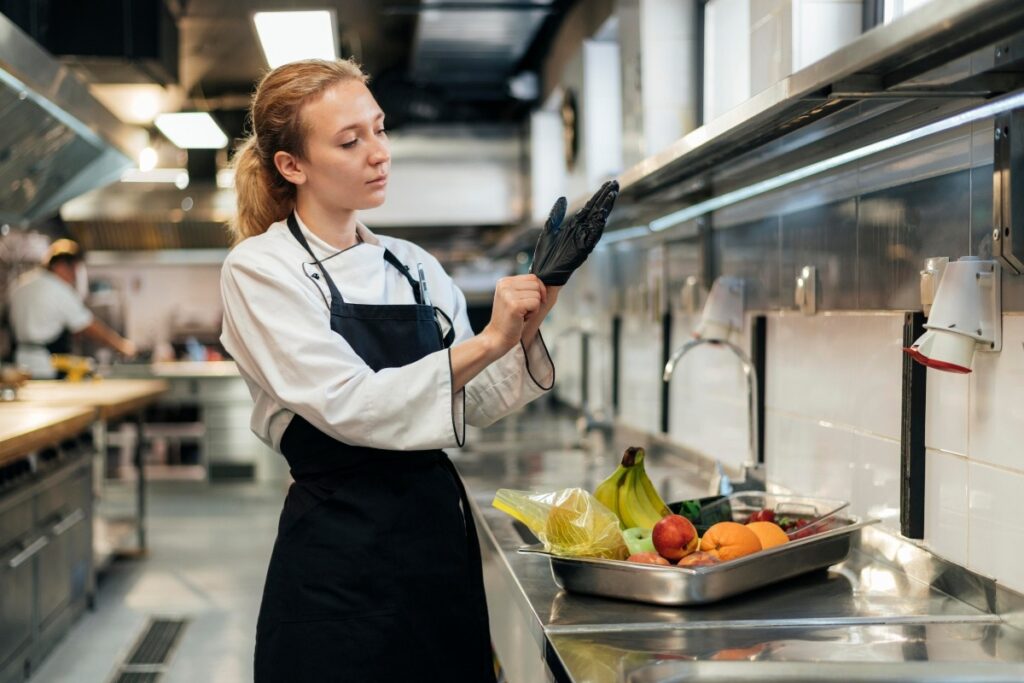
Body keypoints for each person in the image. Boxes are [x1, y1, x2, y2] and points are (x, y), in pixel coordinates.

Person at [220, 59, 567, 682]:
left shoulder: (411, 265)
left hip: (434, 540)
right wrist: (489, 340)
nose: (378, 153)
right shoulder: (261, 269)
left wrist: (527, 327)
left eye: (379, 130)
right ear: (291, 166)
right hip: (336, 557)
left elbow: (475, 401)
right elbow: (351, 404)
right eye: (350, 141)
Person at [8, 239, 135, 378]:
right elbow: (88, 325)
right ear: (60, 266)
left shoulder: (20, 285)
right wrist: (121, 346)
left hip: (19, 366)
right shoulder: (58, 289)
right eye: (73, 270)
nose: (74, 277)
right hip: (47, 367)